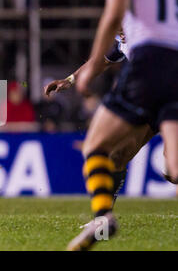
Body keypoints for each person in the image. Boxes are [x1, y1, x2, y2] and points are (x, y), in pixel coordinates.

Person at [66, 0, 178, 251]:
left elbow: (113, 16)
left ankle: (103, 216)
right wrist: (74, 77)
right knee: (173, 170)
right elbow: (107, 56)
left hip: (148, 71)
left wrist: (85, 77)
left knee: (95, 146)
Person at [45, 30, 157, 206]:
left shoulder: (157, 31)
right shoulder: (122, 42)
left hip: (171, 101)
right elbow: (100, 62)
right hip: (146, 102)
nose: (120, 30)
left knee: (172, 172)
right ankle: (104, 216)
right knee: (117, 156)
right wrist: (70, 80)